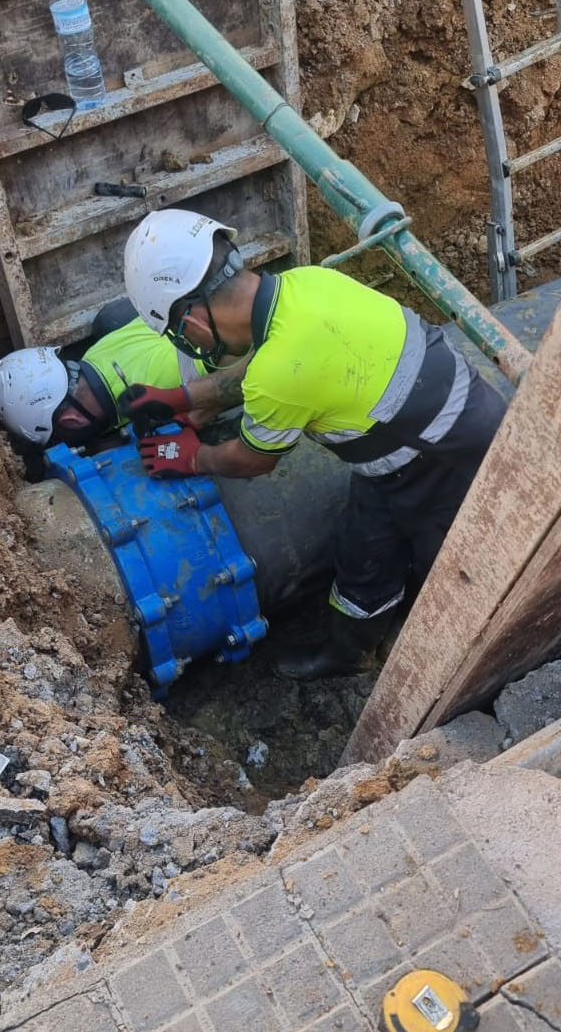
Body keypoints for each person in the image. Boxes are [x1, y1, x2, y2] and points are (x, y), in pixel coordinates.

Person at [121, 208, 507, 681]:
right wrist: (180, 398)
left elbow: (252, 459)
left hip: (447, 460)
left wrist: (194, 457)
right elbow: (267, 364)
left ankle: (467, 669)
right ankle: (350, 652)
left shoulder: (279, 375)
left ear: (194, 325)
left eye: (180, 335)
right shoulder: (303, 283)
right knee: (364, 545)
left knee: (455, 570)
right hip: (424, 434)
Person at [0, 297, 237, 452]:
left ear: (71, 421)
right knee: (110, 319)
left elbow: (244, 369)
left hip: (239, 345)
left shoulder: (167, 396)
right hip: (224, 305)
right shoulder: (94, 355)